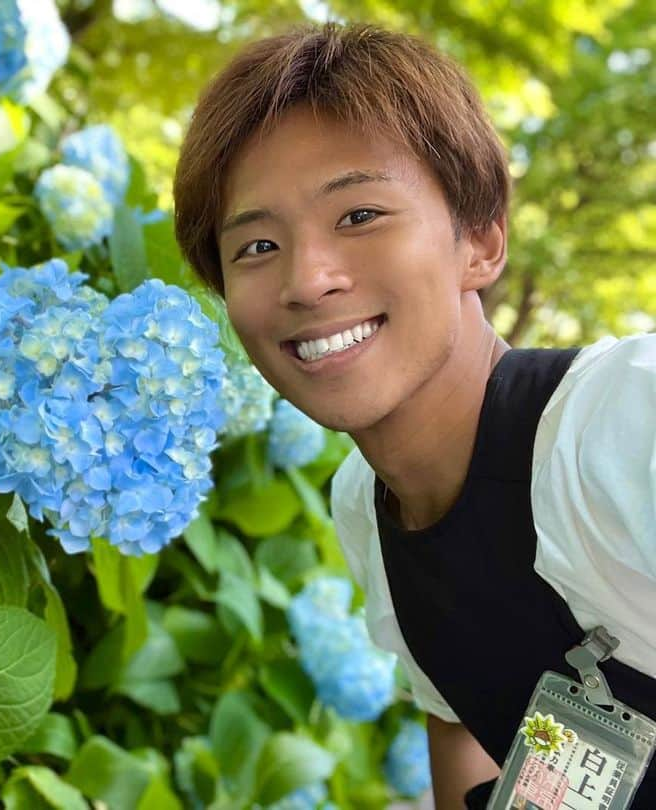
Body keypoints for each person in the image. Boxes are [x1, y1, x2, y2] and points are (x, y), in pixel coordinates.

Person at [172, 22, 655, 809]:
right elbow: (462, 718)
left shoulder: (619, 424)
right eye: (256, 246)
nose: (308, 279)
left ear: (481, 240)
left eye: (358, 215)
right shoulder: (366, 505)